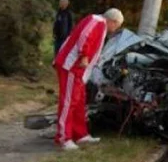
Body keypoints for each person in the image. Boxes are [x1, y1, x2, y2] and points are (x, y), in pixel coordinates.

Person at [52, 8, 125, 150]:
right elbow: (85, 36)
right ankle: (63, 137)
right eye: (116, 26)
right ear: (113, 21)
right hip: (72, 65)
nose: (115, 29)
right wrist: (84, 55)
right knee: (69, 101)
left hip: (79, 69)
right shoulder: (96, 21)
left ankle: (80, 134)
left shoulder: (100, 24)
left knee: (79, 101)